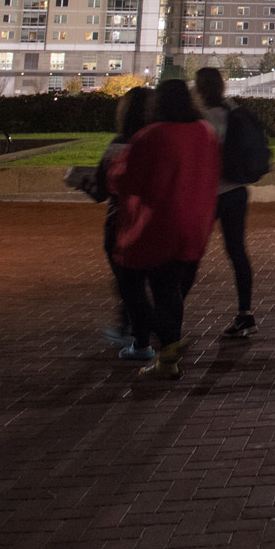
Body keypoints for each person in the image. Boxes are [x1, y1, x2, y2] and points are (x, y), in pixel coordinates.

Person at [107, 78, 220, 380]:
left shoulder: (151, 135)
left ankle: (165, 340)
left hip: (158, 225)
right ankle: (168, 359)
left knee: (131, 283)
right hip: (195, 223)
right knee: (170, 290)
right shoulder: (205, 132)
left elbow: (127, 180)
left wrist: (112, 171)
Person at [90, 86, 154, 359]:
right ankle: (144, 328)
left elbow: (100, 189)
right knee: (153, 280)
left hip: (120, 222)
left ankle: (139, 332)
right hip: (153, 220)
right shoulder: (157, 142)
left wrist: (81, 182)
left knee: (128, 281)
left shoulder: (119, 144)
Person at [194, 67, 255, 338]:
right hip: (237, 191)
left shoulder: (202, 118)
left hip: (210, 193)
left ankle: (167, 321)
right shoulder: (233, 110)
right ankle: (245, 314)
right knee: (237, 252)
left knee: (190, 253)